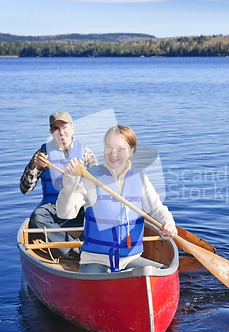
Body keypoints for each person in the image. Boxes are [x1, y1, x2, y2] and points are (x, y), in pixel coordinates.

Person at [56, 124, 177, 273]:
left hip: (130, 259)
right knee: (96, 278)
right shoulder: (90, 178)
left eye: (120, 149)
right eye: (108, 147)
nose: (113, 153)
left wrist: (168, 222)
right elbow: (64, 214)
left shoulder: (140, 179)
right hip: (96, 259)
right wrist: (68, 185)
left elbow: (157, 209)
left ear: (131, 151)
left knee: (161, 272)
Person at [20, 112, 98, 258]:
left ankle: (91, 244)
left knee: (100, 209)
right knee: (37, 218)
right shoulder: (43, 154)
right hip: (53, 209)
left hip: (78, 207)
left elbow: (99, 185)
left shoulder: (86, 153)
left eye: (64, 127)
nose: (61, 132)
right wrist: (33, 165)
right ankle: (74, 251)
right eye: (56, 128)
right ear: (51, 132)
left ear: (72, 128)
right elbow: (25, 189)